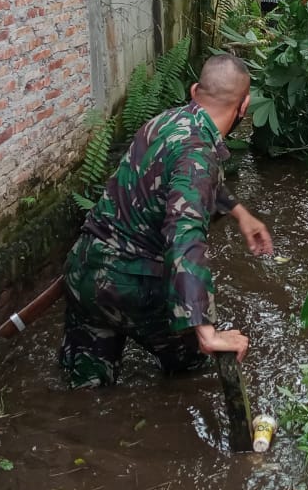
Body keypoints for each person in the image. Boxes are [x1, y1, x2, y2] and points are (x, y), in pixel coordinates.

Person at [60, 54, 273, 388]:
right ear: (244, 106)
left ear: (193, 91)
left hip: (84, 271)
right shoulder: (199, 154)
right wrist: (205, 331)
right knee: (196, 373)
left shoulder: (165, 122)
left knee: (86, 392)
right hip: (132, 288)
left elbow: (187, 182)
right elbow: (184, 236)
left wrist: (240, 213)